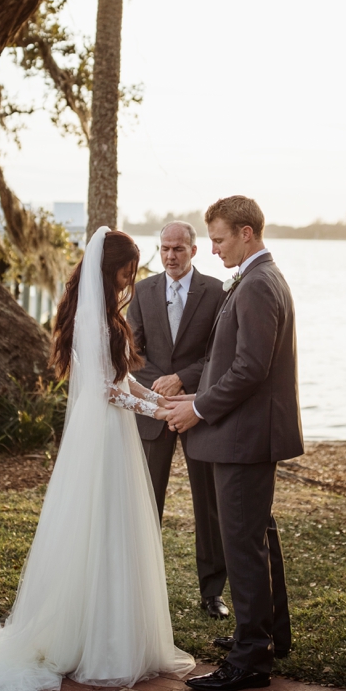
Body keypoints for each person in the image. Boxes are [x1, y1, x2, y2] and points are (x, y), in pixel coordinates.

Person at [0, 228, 194, 691]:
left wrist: (159, 399)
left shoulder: (105, 314)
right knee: (98, 528)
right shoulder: (93, 320)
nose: (131, 278)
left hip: (114, 436)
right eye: (126, 269)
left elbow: (123, 378)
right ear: (109, 267)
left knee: (118, 529)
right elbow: (104, 391)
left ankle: (116, 633)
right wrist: (157, 412)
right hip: (103, 437)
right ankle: (92, 641)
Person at [165, 196, 303, 691]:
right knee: (256, 537)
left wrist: (197, 407)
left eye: (220, 239)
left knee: (242, 544)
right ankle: (268, 635)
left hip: (244, 437)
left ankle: (250, 659)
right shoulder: (258, 277)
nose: (215, 249)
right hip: (245, 432)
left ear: (246, 233)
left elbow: (250, 368)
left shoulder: (258, 285)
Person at [127, 221, 228, 618]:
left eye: (178, 249)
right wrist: (159, 390)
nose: (170, 256)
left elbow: (220, 352)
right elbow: (133, 352)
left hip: (198, 409)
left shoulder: (218, 292)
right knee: (146, 499)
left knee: (209, 504)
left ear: (193, 250)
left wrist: (183, 379)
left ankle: (212, 593)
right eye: (165, 248)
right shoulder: (143, 290)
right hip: (154, 408)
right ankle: (141, 589)